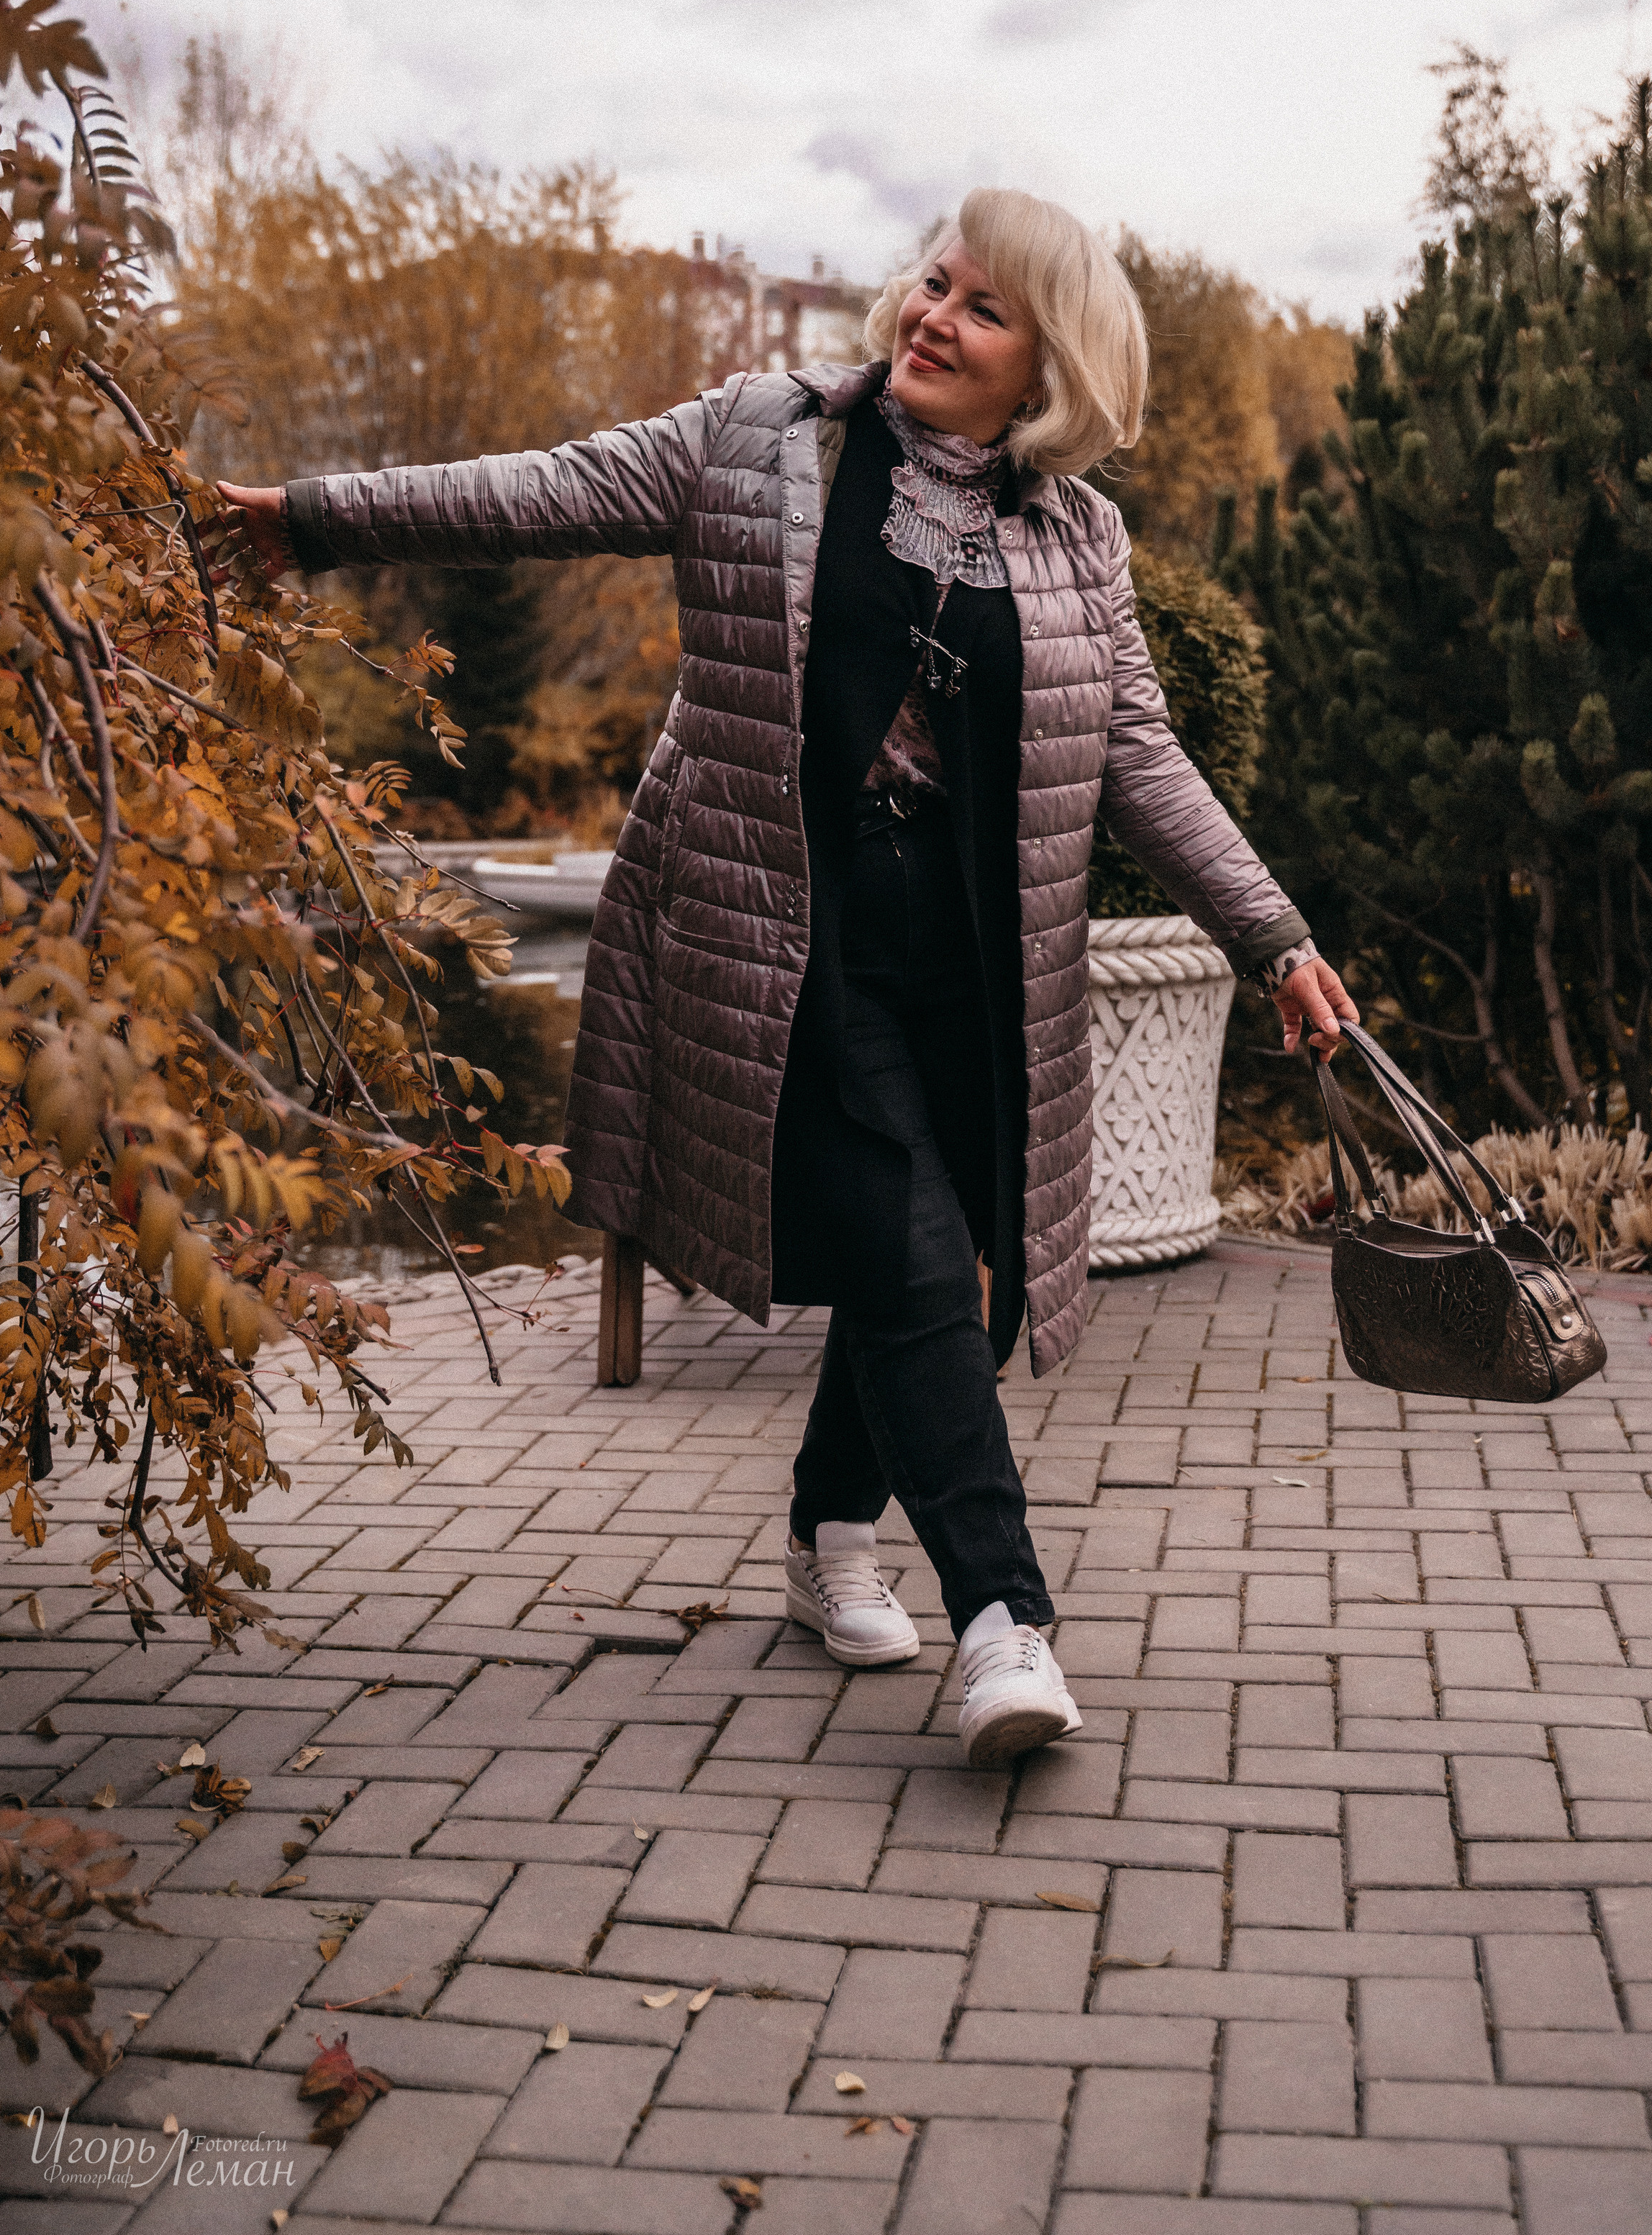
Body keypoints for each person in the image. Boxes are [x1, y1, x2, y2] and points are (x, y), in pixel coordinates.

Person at [221, 186, 1354, 1769]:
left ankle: (827, 1533)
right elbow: (542, 490)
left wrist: (1273, 933)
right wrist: (314, 515)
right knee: (904, 1244)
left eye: (981, 305)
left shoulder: (1080, 538)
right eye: (934, 282)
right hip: (786, 926)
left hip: (971, 949)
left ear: (1051, 370)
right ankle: (1003, 1622)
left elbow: (1137, 758)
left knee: (935, 1255)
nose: (930, 314)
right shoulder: (768, 441)